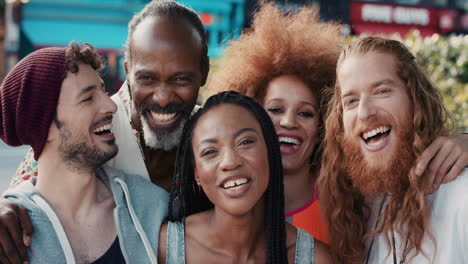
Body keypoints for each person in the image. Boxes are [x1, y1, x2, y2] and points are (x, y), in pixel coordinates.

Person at [207, 3, 468, 243]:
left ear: (324, 125)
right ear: (249, 114)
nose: (288, 121)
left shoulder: (352, 204)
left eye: (306, 113)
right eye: (275, 109)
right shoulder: (217, 196)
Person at [0, 1, 208, 262]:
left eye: (181, 79)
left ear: (204, 73)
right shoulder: (92, 127)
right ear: (128, 72)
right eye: (147, 78)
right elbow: (34, 186)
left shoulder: (215, 133)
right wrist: (7, 206)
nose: (163, 98)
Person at [0, 43, 167, 263]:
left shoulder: (153, 208)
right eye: (88, 98)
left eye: (104, 92)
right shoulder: (11, 233)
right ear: (43, 126)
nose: (111, 106)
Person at [319, 36, 468, 264]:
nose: (364, 112)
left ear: (414, 98)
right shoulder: (354, 209)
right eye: (351, 101)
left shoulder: (461, 198)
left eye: (382, 91)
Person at [159, 91, 332, 263]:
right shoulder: (164, 248)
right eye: (210, 152)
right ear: (197, 172)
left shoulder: (313, 258)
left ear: (269, 150)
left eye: (245, 142)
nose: (230, 162)